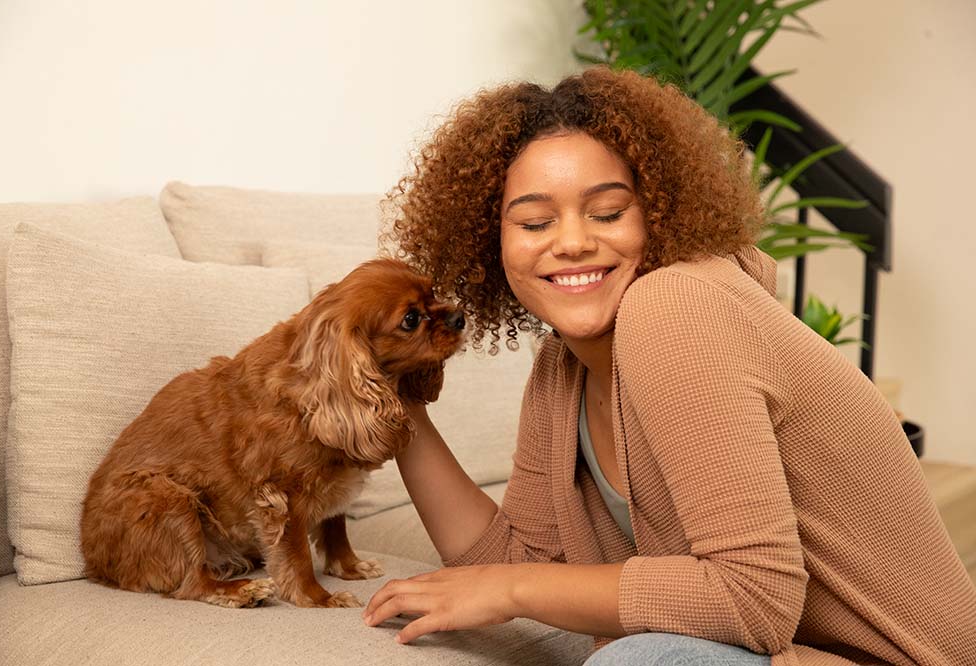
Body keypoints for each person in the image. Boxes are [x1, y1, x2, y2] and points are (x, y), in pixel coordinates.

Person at [362, 67, 976, 665]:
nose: (572, 241)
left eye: (607, 212)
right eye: (534, 222)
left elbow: (754, 601)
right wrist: (392, 392)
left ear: (658, 212)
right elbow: (511, 560)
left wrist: (510, 590)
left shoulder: (677, 309)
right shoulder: (562, 368)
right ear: (490, 241)